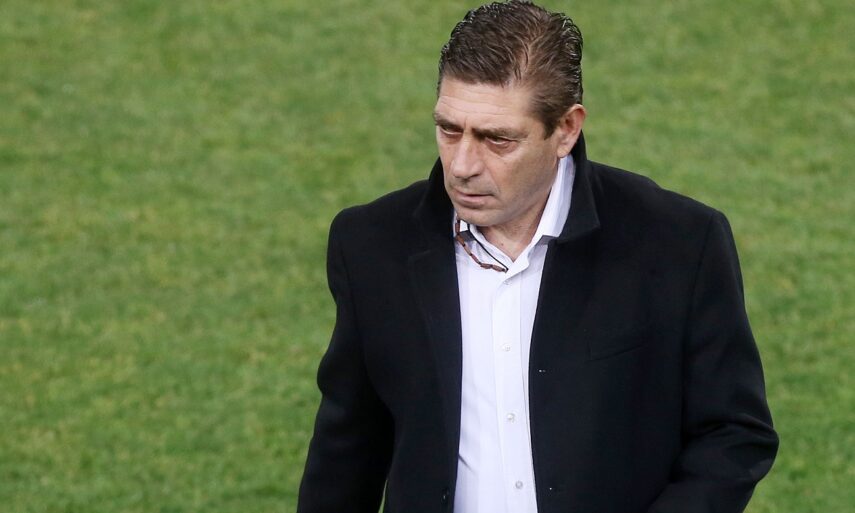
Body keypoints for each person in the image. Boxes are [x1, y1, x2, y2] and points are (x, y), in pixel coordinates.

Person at [297, 1, 778, 512]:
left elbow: (732, 434)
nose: (462, 166)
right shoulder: (371, 245)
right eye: (449, 129)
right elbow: (347, 448)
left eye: (497, 139)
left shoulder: (679, 242)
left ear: (566, 129)